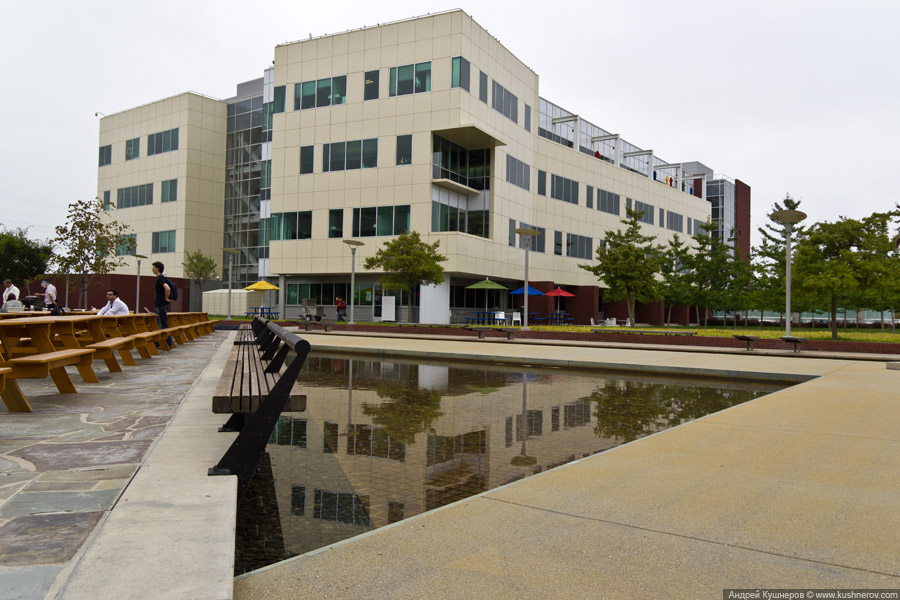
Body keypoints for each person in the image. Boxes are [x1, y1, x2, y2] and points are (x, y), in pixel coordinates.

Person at [151, 262, 175, 349]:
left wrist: (166, 298)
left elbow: (167, 288)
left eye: (153, 267)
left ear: (158, 268)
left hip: (161, 304)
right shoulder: (160, 278)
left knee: (163, 324)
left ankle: (168, 343)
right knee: (158, 324)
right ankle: (157, 343)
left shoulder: (160, 278)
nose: (152, 269)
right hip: (160, 304)